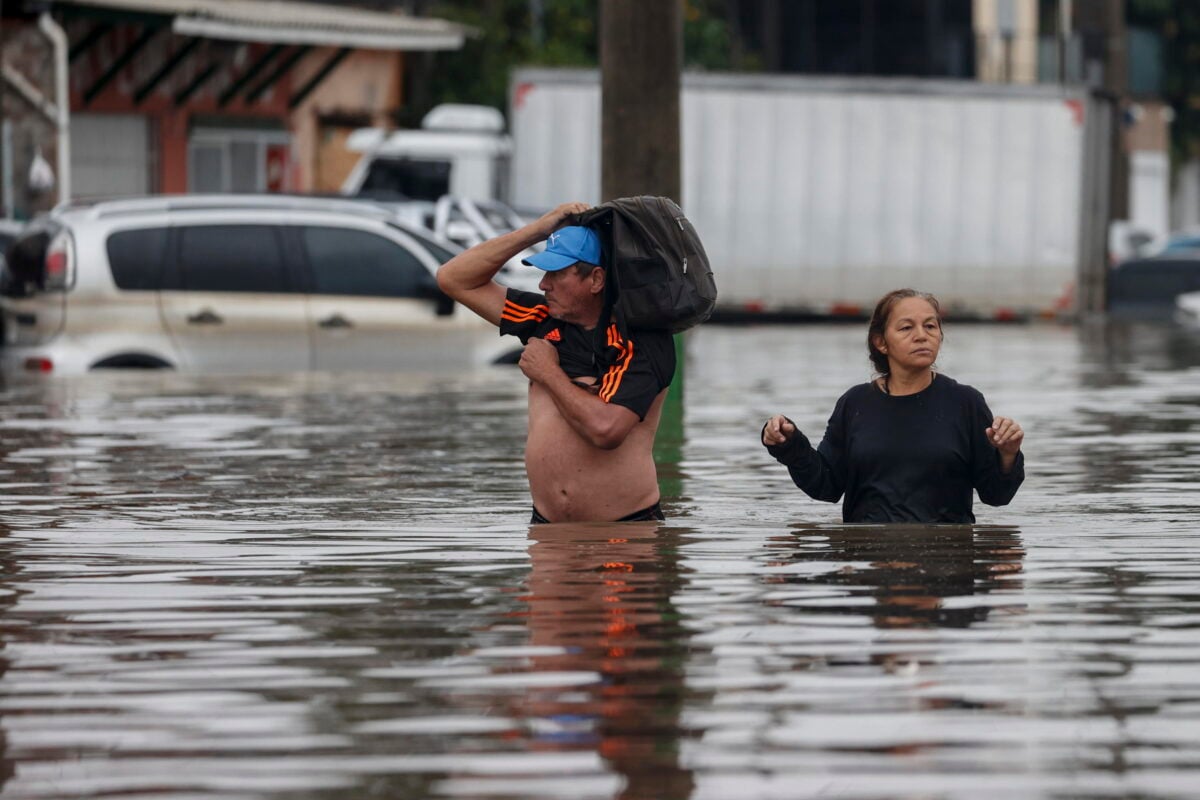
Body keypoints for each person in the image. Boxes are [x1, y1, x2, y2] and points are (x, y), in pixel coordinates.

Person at [436, 202, 676, 523]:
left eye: (556, 273)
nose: (542, 284)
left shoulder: (641, 341)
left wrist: (548, 372)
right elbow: (453, 278)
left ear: (596, 280)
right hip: (547, 531)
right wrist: (538, 230)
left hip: (624, 534)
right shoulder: (542, 319)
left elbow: (606, 430)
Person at [761, 289, 1025, 523]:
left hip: (946, 564)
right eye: (906, 328)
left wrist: (1008, 454)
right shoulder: (855, 403)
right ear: (881, 342)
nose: (921, 336)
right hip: (869, 564)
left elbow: (996, 496)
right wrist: (789, 445)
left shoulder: (966, 402)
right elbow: (827, 486)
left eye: (930, 326)